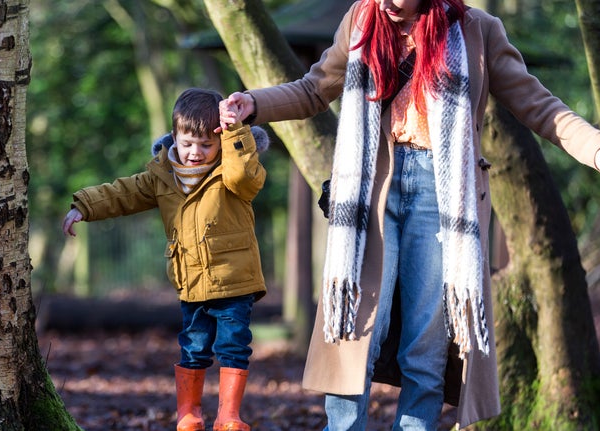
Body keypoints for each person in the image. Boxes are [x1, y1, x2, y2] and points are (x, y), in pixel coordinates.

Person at [218, 0, 600, 429]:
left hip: (444, 194)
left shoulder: (477, 29)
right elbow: (313, 89)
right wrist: (253, 103)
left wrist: (595, 147)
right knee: (356, 330)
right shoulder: (361, 21)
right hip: (370, 190)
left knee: (426, 345)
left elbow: (541, 106)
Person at [63, 87, 270, 431]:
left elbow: (244, 178)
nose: (195, 153)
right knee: (194, 347)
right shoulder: (163, 176)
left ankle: (229, 416)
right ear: (174, 136)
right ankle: (189, 414)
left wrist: (236, 131)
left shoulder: (232, 169)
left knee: (233, 346)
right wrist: (84, 205)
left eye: (206, 145)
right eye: (188, 143)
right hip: (190, 282)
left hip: (235, 280)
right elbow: (123, 193)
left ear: (220, 141)